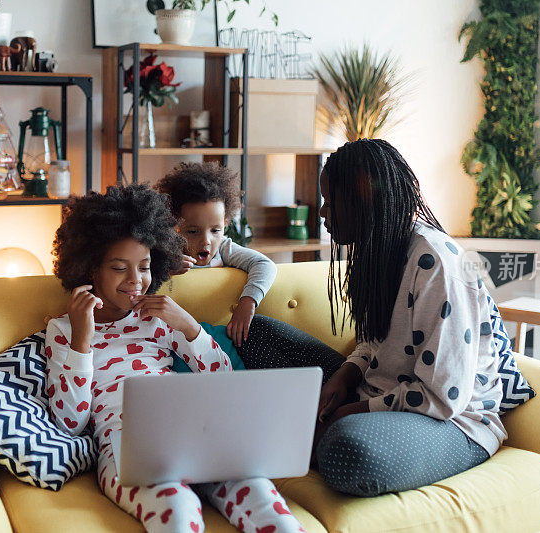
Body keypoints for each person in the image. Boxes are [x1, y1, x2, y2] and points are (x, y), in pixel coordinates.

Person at [237, 139, 508, 498]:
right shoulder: (378, 247)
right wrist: (343, 376)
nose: (322, 213)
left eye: (330, 203)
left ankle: (296, 430)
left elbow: (443, 398)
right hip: (381, 392)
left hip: (452, 423)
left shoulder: (436, 264)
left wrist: (352, 411)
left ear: (364, 202)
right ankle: (296, 428)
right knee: (254, 333)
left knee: (346, 450)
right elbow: (377, 340)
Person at [44, 184, 303, 533]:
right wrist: (82, 339)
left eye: (145, 267)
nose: (136, 281)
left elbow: (222, 377)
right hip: (126, 446)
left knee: (267, 507)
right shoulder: (64, 329)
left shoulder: (158, 316)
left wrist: (190, 326)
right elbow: (69, 423)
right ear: (92, 269)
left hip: (196, 430)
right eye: (120, 268)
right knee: (177, 513)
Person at [156, 162, 277, 347]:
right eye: (193, 231)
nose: (206, 240)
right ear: (175, 228)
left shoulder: (223, 248)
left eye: (215, 230)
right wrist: (166, 266)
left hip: (218, 339)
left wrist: (248, 301)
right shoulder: (165, 251)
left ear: (225, 224)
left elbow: (264, 264)